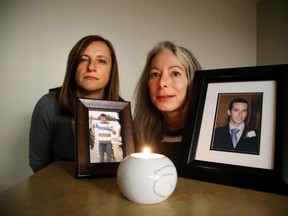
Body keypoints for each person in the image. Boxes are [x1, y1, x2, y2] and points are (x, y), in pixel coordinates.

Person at [29, 35, 121, 172]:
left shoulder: (121, 110)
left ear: (111, 70)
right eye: (83, 59)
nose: (91, 67)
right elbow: (38, 164)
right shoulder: (48, 106)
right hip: (59, 190)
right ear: (73, 66)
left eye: (101, 61)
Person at [133, 41, 201, 168]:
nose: (162, 83)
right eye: (155, 74)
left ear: (192, 81)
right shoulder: (136, 133)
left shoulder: (211, 135)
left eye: (175, 73)